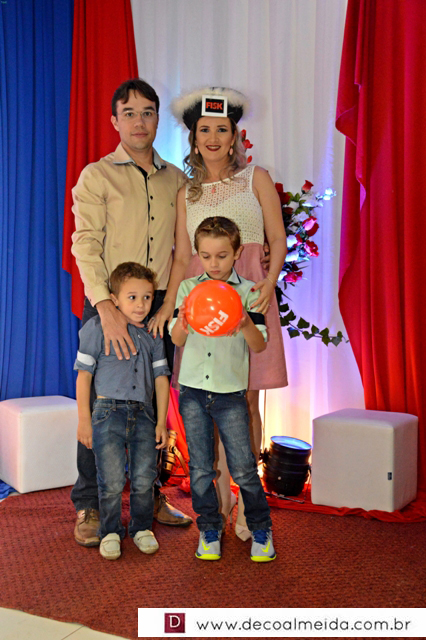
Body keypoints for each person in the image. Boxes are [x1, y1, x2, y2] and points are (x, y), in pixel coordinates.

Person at [157, 87, 287, 540]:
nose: (213, 137)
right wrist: (172, 309)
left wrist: (269, 281)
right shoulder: (185, 193)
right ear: (194, 138)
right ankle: (219, 498)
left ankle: (248, 500)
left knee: (247, 399)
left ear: (234, 136)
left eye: (221, 129)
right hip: (201, 305)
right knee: (205, 402)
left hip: (249, 296)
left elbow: (277, 238)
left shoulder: (257, 179)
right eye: (204, 130)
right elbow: (181, 257)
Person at [71, 78, 192, 548]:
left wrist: (168, 305)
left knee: (152, 401)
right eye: (129, 113)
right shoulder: (96, 176)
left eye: (147, 112)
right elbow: (85, 245)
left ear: (157, 119)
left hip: (157, 304)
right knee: (101, 404)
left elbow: (184, 249)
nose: (139, 122)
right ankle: (89, 504)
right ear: (114, 121)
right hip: (109, 300)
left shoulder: (176, 180)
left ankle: (150, 496)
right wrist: (106, 307)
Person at [170, 217, 276, 562]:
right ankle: (209, 528)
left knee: (244, 466)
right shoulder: (188, 289)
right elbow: (176, 339)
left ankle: (260, 528)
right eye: (205, 256)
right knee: (201, 468)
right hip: (192, 391)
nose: (213, 264)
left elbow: (259, 345)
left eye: (221, 255)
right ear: (197, 255)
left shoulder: (249, 292)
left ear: (237, 253)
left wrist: (244, 323)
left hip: (230, 394)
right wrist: (184, 322)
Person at [75, 263, 169, 560]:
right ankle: (110, 531)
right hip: (107, 413)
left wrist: (161, 421)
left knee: (144, 477)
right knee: (112, 480)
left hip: (144, 414)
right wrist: (84, 421)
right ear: (114, 299)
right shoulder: (96, 328)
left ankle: (141, 528)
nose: (141, 305)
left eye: (147, 297)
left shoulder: (153, 334)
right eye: (132, 297)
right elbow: (84, 377)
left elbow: (161, 379)